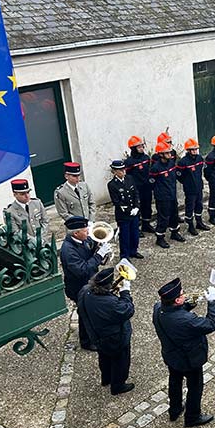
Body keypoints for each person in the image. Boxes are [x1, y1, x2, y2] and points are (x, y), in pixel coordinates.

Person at [152, 278, 215, 427]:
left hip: (171, 355)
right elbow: (211, 324)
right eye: (182, 294)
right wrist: (212, 301)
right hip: (189, 359)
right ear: (176, 300)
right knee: (195, 387)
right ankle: (192, 417)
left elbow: (175, 311)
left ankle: (174, 410)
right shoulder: (187, 320)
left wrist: (191, 303)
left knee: (174, 382)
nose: (184, 295)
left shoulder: (158, 308)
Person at [77, 267, 135, 395]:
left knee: (104, 357)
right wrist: (125, 293)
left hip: (96, 335)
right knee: (120, 361)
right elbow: (128, 309)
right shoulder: (110, 303)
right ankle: (118, 386)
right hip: (115, 338)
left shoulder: (85, 290)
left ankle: (106, 379)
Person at [60, 216, 111, 352]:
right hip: (79, 287)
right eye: (85, 230)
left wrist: (100, 248)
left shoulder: (83, 239)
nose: (88, 232)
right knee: (85, 314)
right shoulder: (68, 250)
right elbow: (82, 270)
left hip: (89, 281)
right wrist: (99, 256)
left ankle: (94, 334)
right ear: (76, 233)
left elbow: (90, 251)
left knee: (91, 311)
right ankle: (86, 342)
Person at [150, 141, 183, 248]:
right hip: (162, 197)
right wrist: (159, 192)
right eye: (167, 153)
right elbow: (151, 182)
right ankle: (160, 238)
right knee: (163, 217)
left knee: (174, 214)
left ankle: (174, 233)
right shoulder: (156, 168)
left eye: (170, 152)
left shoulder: (171, 163)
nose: (170, 154)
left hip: (172, 194)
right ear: (161, 154)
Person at [107, 160, 143, 260]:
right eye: (120, 170)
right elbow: (116, 201)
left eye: (123, 169)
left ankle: (133, 251)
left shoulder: (129, 178)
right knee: (125, 236)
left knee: (135, 234)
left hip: (134, 212)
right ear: (114, 172)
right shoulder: (112, 184)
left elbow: (135, 193)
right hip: (123, 215)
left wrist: (137, 207)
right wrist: (129, 210)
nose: (123, 171)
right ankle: (125, 256)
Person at [124, 136, 156, 234]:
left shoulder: (146, 158)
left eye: (142, 146)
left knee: (147, 206)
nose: (142, 148)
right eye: (139, 147)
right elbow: (127, 176)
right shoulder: (129, 162)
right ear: (133, 149)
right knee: (137, 208)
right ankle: (136, 228)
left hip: (146, 187)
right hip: (136, 188)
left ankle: (146, 225)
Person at [176, 139, 206, 239]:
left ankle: (199, 222)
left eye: (196, 149)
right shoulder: (183, 162)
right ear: (188, 150)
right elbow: (179, 175)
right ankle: (190, 225)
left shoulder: (199, 158)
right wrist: (186, 183)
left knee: (199, 205)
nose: (194, 151)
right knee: (190, 207)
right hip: (190, 189)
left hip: (199, 187)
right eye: (192, 150)